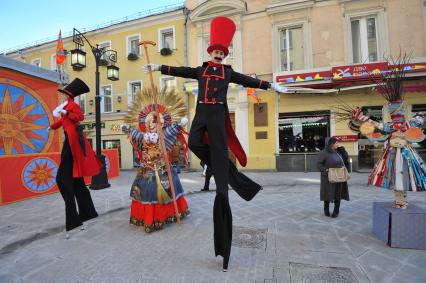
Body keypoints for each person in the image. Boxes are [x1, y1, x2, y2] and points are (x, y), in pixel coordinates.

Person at [144, 16, 287, 271]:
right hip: (202, 113)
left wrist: (270, 85)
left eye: (222, 52)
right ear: (211, 53)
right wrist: (157, 67)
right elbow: (180, 71)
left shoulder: (229, 72)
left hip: (219, 115)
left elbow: (248, 80)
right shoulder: (200, 69)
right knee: (195, 143)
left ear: (224, 55)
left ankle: (223, 170)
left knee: (219, 156)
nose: (219, 55)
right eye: (216, 52)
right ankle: (220, 164)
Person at [121, 87, 189, 233]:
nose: (152, 125)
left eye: (155, 122)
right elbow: (134, 133)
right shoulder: (143, 136)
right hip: (146, 171)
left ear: (161, 123)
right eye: (150, 123)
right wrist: (127, 128)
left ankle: (167, 215)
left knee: (167, 190)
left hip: (163, 169)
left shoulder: (164, 134)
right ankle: (148, 217)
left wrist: (180, 123)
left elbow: (174, 129)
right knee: (146, 192)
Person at [48, 78, 101, 239]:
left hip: (73, 144)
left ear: (68, 95)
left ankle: (74, 220)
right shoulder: (65, 106)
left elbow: (79, 117)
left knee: (62, 180)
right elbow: (62, 122)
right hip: (69, 141)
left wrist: (67, 113)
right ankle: (88, 213)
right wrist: (50, 127)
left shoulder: (72, 105)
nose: (62, 96)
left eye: (63, 94)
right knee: (75, 182)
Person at [317, 137, 350, 218]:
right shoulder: (323, 153)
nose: (337, 144)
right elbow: (319, 164)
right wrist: (326, 171)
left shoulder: (338, 152)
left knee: (338, 193)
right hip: (328, 178)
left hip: (339, 177)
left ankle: (336, 211)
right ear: (331, 144)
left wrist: (344, 152)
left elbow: (346, 161)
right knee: (327, 193)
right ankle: (326, 210)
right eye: (336, 143)